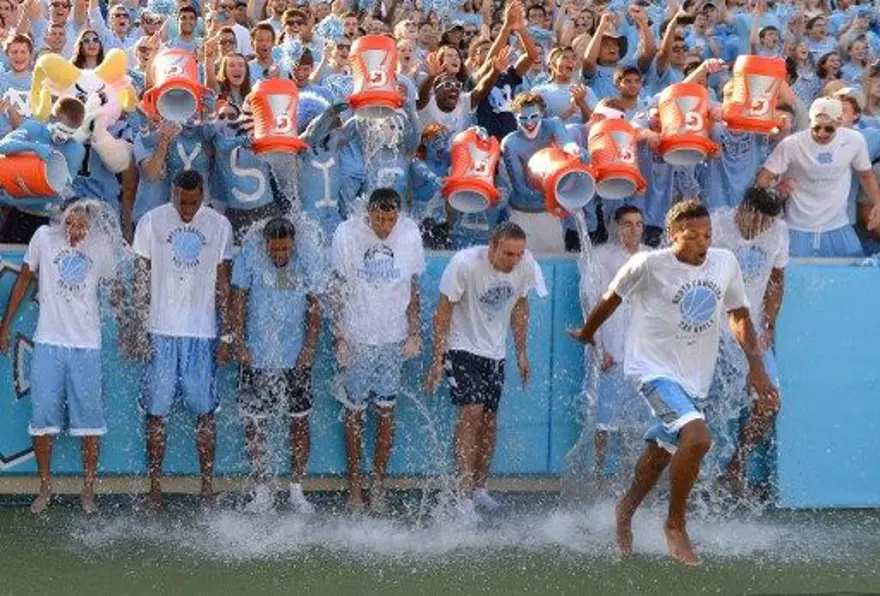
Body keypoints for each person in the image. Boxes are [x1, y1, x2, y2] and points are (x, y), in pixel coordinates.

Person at [569, 200, 778, 566]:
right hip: (651, 369)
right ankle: (675, 525)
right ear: (672, 235)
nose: (702, 243)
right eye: (693, 236)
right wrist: (588, 333)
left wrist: (756, 367)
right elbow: (610, 299)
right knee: (697, 438)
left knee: (660, 453)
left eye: (708, 235)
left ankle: (625, 509)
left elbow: (739, 313)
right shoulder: (648, 264)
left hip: (694, 376)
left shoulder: (724, 262)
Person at [0, 199, 121, 515]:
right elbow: (24, 278)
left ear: (90, 225)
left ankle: (88, 490)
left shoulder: (100, 245)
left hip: (86, 347)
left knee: (91, 424)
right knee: (42, 421)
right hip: (49, 344)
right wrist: (5, 326)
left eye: (81, 225)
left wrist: (127, 328)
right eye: (70, 224)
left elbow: (116, 288)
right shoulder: (43, 237)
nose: (75, 231)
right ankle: (44, 486)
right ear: (60, 221)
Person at [425, 222, 547, 521]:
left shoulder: (525, 263)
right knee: (472, 413)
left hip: (496, 352)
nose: (514, 260)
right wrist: (437, 358)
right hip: (461, 346)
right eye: (508, 254)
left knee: (490, 420)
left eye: (519, 254)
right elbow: (443, 311)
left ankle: (479, 487)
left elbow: (520, 306)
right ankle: (462, 496)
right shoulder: (464, 264)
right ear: (492, 246)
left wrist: (521, 352)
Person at [129, 170, 234, 510]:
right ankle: (155, 488)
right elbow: (140, 277)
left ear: (203, 194)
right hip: (161, 330)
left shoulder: (219, 225)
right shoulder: (151, 221)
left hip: (201, 333)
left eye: (193, 203)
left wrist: (227, 333)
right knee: (156, 413)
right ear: (172, 193)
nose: (187, 210)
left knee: (205, 413)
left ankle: (207, 488)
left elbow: (223, 282)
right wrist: (138, 326)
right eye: (181, 202)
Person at [330, 188, 425, 512]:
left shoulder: (410, 234)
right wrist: (339, 337)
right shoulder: (347, 233)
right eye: (378, 218)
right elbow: (338, 287)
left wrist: (415, 333)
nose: (384, 225)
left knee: (386, 412)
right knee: (354, 412)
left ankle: (378, 484)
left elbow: (413, 289)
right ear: (368, 212)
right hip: (358, 336)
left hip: (392, 339)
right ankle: (355, 485)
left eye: (390, 219)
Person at [231, 218, 322, 513]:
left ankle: (296, 489)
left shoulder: (305, 260)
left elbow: (314, 303)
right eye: (275, 248)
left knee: (299, 421)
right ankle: (261, 490)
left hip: (295, 355)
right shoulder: (250, 257)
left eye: (285, 247)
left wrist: (309, 345)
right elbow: (239, 300)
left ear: (293, 243)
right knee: (256, 424)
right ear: (265, 243)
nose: (280, 253)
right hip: (258, 355)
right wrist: (239, 343)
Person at [710, 188, 788, 494]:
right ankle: (690, 478)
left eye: (766, 224)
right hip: (710, 329)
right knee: (701, 403)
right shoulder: (715, 227)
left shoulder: (779, 232)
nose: (760, 229)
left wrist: (769, 322)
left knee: (770, 402)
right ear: (742, 209)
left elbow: (777, 281)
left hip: (752, 329)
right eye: (755, 221)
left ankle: (735, 466)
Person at [756, 97, 880, 257]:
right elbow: (762, 180)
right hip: (797, 227)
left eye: (828, 129)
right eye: (816, 127)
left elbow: (866, 175)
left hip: (838, 226)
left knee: (853, 273)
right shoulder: (791, 144)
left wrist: (877, 202)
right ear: (809, 121)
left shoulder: (854, 141)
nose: (821, 133)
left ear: (839, 122)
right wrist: (777, 190)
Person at [593, 206, 650, 478]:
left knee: (638, 424)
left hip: (641, 354)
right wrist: (600, 346)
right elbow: (591, 302)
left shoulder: (651, 257)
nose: (634, 230)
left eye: (638, 224)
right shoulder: (602, 256)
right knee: (604, 424)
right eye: (627, 224)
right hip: (612, 351)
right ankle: (599, 476)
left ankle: (633, 478)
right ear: (616, 227)